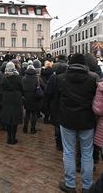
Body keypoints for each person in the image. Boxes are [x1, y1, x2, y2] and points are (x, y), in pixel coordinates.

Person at [57, 54, 97, 193]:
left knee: (68, 152)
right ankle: (87, 186)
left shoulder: (61, 78)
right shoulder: (93, 78)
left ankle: (70, 184)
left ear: (70, 63)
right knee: (87, 153)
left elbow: (56, 98)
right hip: (87, 120)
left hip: (67, 119)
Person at [0, 62, 23, 144]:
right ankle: (13, 137)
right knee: (15, 119)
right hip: (16, 98)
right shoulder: (18, 77)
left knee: (8, 118)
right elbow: (22, 87)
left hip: (6, 98)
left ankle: (8, 137)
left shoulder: (3, 78)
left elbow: (0, 89)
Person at [22, 65, 44, 134]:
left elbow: (21, 88)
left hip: (26, 97)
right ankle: (33, 129)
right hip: (35, 97)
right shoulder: (37, 78)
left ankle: (25, 128)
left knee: (27, 113)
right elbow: (43, 86)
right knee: (34, 113)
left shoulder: (24, 78)